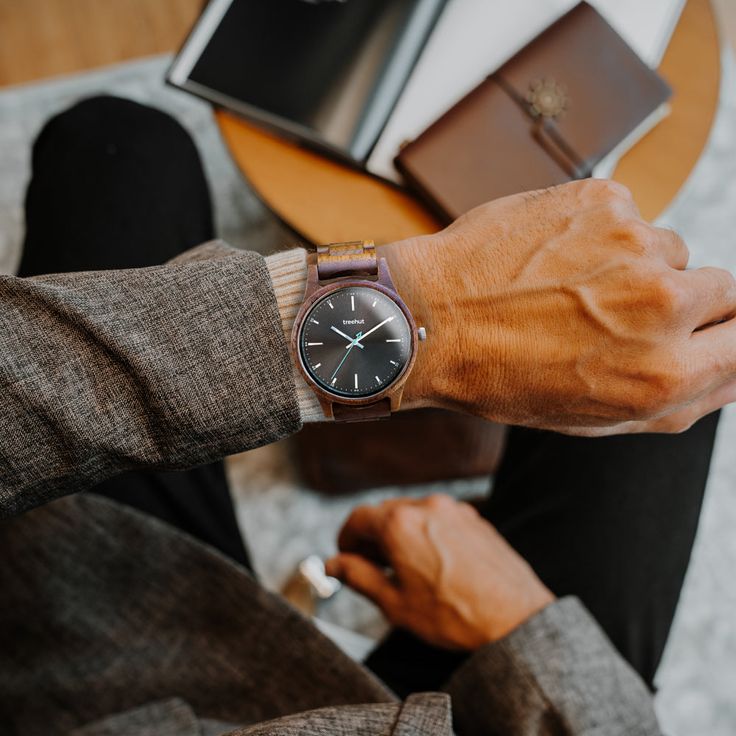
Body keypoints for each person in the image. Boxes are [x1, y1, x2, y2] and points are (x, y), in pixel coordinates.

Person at [0, 95, 727, 735]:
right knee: (671, 379)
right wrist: (527, 630)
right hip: (502, 715)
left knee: (116, 145)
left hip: (106, 676)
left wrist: (410, 310)